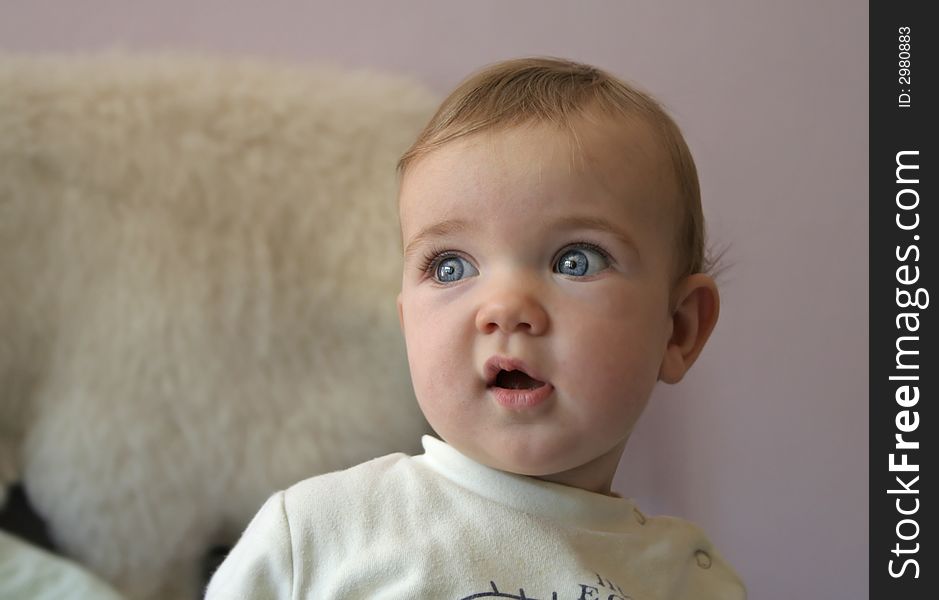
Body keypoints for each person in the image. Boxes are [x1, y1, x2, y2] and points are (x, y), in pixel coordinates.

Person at [205, 57, 745, 599]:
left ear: (677, 330)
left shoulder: (688, 580)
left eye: (574, 260)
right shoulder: (320, 536)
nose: (505, 308)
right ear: (408, 325)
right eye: (450, 267)